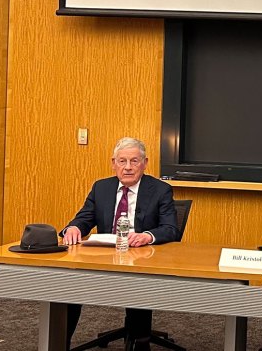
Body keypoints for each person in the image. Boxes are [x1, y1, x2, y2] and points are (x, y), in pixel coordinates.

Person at [61, 137, 179, 349]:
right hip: (104, 258)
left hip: (142, 260)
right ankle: (60, 344)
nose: (127, 168)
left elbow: (170, 229)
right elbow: (84, 217)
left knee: (138, 285)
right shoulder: (101, 187)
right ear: (113, 163)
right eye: (122, 161)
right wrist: (74, 227)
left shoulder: (161, 190)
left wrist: (147, 236)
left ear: (145, 163)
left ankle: (139, 343)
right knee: (68, 284)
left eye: (134, 161)